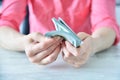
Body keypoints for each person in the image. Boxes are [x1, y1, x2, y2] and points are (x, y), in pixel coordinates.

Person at [0, 0, 120, 68]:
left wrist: (93, 44)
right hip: (38, 66)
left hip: (84, 60)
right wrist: (24, 43)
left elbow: (107, 25)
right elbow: (4, 24)